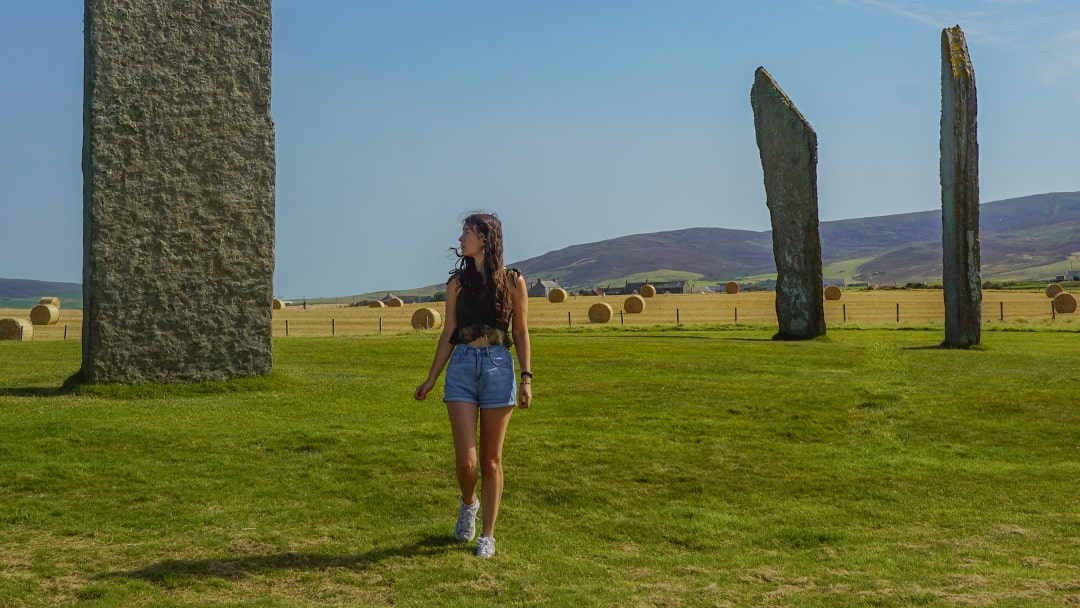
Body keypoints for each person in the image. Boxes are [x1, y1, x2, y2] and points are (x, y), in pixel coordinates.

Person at [414, 212, 532, 559]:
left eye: (467, 232)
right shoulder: (457, 284)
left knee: (491, 461)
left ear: (486, 238)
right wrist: (432, 377)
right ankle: (469, 503)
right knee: (467, 464)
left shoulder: (513, 281)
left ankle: (488, 535)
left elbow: (521, 333)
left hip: (499, 367)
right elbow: (449, 333)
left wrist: (526, 378)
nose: (461, 237)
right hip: (462, 368)